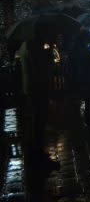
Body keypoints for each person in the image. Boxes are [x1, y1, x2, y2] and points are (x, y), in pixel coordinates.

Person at [18, 37, 60, 171]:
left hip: (31, 88)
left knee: (36, 121)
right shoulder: (33, 47)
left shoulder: (25, 46)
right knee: (38, 121)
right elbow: (40, 68)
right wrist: (48, 56)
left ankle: (36, 152)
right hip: (37, 89)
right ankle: (37, 154)